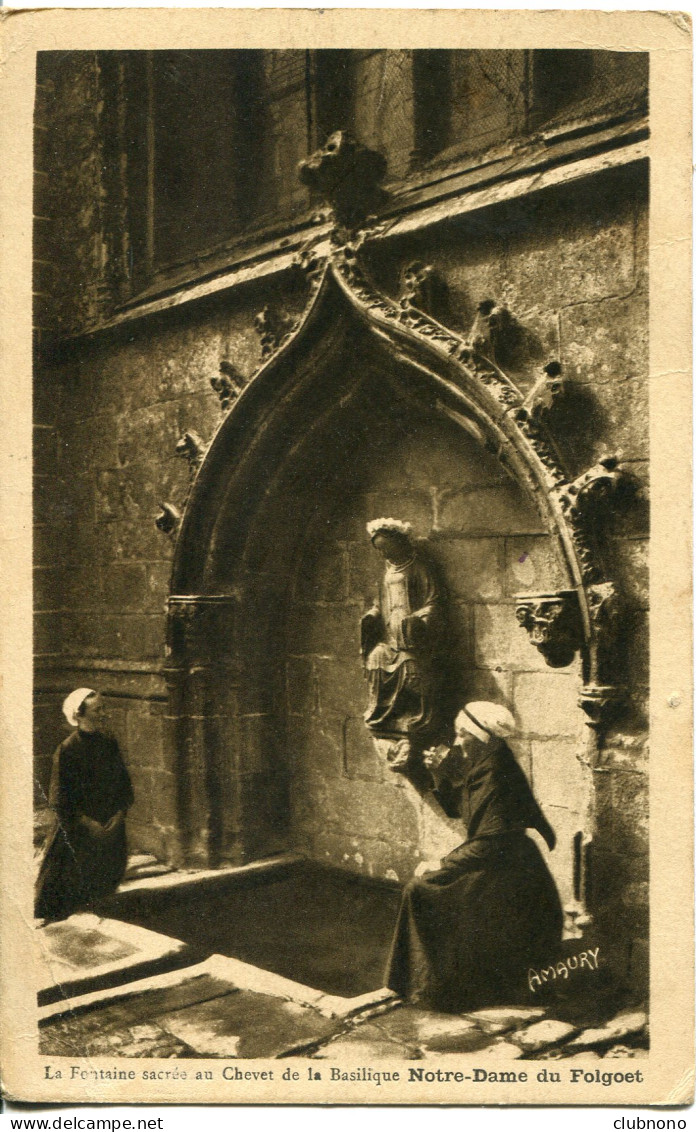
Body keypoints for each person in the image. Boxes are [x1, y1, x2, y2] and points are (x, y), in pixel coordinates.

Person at [385, 701, 563, 1013]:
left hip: (507, 871)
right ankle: (423, 982)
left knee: (422, 889)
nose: (457, 742)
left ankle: (433, 987)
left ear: (482, 737)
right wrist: (439, 773)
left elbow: (490, 842)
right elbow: (460, 811)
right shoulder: (487, 764)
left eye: (462, 735)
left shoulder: (496, 775)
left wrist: (442, 863)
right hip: (497, 860)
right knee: (426, 886)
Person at [35, 688, 134, 923]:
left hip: (109, 822)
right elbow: (60, 799)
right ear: (79, 716)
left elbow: (123, 784)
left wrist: (119, 815)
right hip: (79, 827)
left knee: (106, 884)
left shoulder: (109, 743)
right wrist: (88, 824)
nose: (104, 714)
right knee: (64, 888)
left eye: (103, 708)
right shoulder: (67, 749)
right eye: (98, 709)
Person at [361, 518, 442, 764]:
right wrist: (371, 616)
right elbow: (379, 603)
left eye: (387, 547)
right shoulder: (386, 574)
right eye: (380, 549)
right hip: (390, 637)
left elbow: (433, 602)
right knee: (376, 657)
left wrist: (417, 620)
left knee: (409, 665)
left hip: (413, 639)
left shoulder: (418, 568)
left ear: (399, 543)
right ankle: (382, 714)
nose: (384, 553)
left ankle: (417, 715)